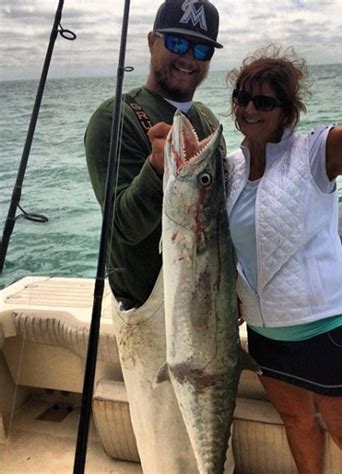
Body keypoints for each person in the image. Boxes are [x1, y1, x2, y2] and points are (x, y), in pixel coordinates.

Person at [225, 1, 342, 473]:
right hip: (265, 334)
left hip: (326, 331)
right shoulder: (228, 169)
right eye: (242, 97)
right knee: (296, 422)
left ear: (287, 112)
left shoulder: (315, 153)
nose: (249, 108)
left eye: (264, 102)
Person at [85, 1, 232, 473]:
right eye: (178, 42)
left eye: (201, 49)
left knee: (216, 453)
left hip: (208, 305)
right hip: (153, 318)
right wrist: (155, 170)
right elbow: (123, 228)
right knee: (172, 460)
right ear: (152, 42)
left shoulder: (206, 121)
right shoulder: (115, 120)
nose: (188, 57)